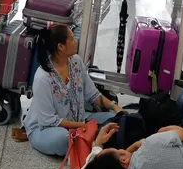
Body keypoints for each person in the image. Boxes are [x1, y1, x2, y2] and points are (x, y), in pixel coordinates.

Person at [24, 24, 122, 156]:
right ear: (61, 47)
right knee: (64, 139)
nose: (75, 41)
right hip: (46, 129)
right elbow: (49, 120)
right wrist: (82, 125)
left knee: (116, 121)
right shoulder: (43, 77)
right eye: (71, 39)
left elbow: (93, 95)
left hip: (80, 120)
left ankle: (91, 141)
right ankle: (93, 143)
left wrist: (115, 108)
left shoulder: (76, 61)